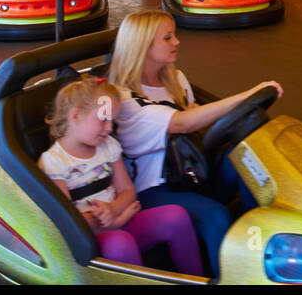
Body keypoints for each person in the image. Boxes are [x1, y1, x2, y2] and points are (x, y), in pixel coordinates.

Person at [107, 11, 282, 276]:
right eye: (167, 37)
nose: (177, 42)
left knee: (247, 158)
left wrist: (198, 113)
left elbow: (195, 124)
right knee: (215, 216)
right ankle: (231, 278)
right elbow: (182, 123)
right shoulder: (126, 100)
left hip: (193, 174)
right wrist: (248, 95)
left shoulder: (176, 80)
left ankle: (267, 239)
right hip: (155, 190)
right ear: (142, 45)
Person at [40, 77, 202, 275]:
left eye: (112, 121)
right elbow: (69, 222)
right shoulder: (54, 162)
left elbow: (127, 191)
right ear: (75, 116)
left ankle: (196, 277)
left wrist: (114, 209)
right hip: (91, 237)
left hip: (119, 222)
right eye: (103, 119)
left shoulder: (108, 145)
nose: (109, 128)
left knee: (176, 216)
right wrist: (119, 218)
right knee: (120, 243)